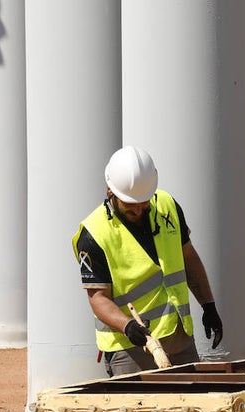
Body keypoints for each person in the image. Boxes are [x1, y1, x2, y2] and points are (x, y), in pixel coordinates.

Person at [72, 146, 224, 376]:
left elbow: (188, 257)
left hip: (179, 336)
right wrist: (127, 326)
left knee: (190, 407)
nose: (139, 210)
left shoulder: (167, 206)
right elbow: (98, 298)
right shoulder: (94, 234)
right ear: (110, 191)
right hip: (130, 348)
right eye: (131, 206)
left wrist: (208, 305)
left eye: (144, 203)